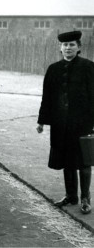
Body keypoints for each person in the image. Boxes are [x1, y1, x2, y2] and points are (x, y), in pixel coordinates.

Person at [37, 30, 94, 215]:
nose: (68, 48)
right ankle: (71, 196)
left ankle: (85, 198)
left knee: (84, 161)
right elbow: (47, 98)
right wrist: (42, 121)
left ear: (79, 48)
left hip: (83, 123)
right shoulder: (53, 69)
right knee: (67, 161)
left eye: (72, 45)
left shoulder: (89, 67)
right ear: (60, 48)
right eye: (65, 45)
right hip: (61, 124)